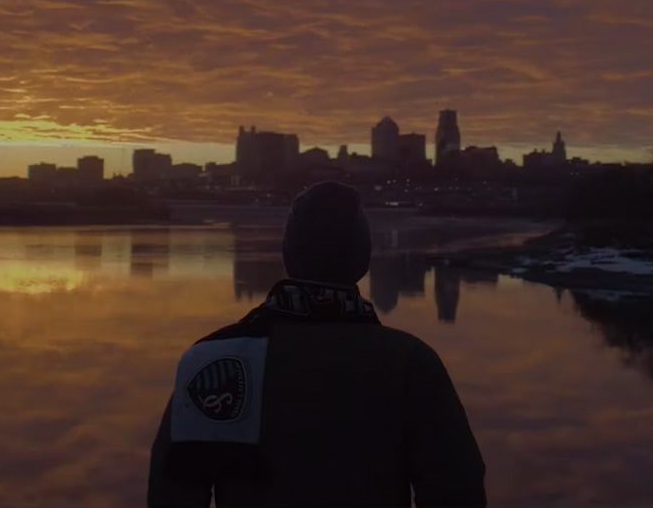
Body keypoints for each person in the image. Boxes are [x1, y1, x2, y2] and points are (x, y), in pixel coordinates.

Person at [147, 181, 486, 507]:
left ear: (287, 254)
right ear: (363, 259)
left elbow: (172, 494)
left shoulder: (215, 359)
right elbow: (458, 492)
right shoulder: (410, 363)